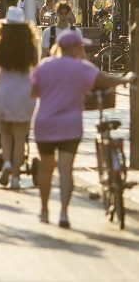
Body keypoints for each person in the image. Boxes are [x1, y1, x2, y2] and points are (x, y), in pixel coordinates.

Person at [31, 30, 135, 228]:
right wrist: (127, 79)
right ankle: (63, 213)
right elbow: (106, 80)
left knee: (46, 167)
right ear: (74, 48)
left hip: (45, 123)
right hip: (70, 125)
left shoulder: (44, 66)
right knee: (65, 168)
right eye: (80, 46)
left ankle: (44, 211)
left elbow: (33, 93)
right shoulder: (81, 68)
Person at [0, 6, 38, 190]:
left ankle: (7, 162)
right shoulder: (30, 45)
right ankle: (16, 176)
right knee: (20, 136)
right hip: (24, 92)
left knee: (5, 134)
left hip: (4, 90)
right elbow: (36, 68)